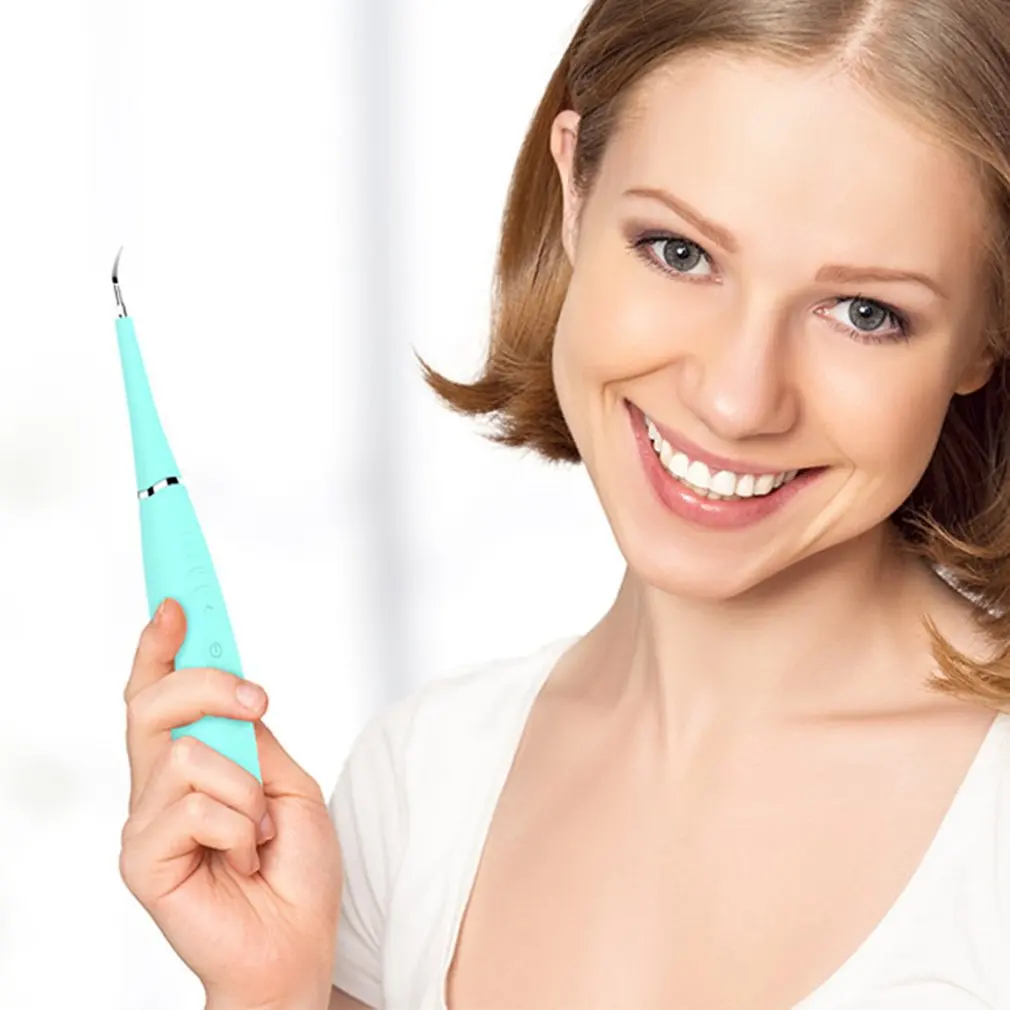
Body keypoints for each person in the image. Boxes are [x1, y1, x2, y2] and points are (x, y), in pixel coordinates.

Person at [119, 0, 1010, 1007]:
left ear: (987, 331)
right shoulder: (420, 785)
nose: (737, 397)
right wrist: (271, 986)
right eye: (679, 251)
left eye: (864, 311)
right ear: (576, 189)